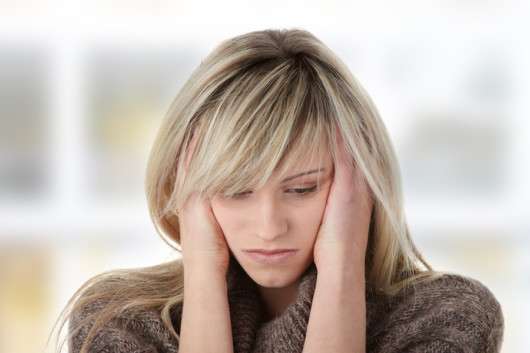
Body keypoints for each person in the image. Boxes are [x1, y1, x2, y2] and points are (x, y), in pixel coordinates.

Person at [57, 29, 504, 352]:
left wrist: (342, 270)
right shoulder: (117, 322)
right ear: (190, 190)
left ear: (362, 182)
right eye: (235, 191)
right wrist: (203, 272)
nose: (269, 227)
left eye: (303, 188)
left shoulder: (445, 318)